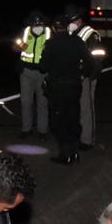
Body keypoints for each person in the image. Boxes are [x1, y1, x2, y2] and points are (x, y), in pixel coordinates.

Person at [39, 13, 94, 165]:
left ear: (54, 28)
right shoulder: (77, 41)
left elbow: (42, 66)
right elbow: (90, 63)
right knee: (73, 118)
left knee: (59, 120)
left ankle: (65, 154)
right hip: (74, 86)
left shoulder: (51, 43)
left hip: (57, 87)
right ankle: (74, 152)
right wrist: (82, 74)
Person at [62, 5, 105, 151]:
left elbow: (98, 57)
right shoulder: (69, 33)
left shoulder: (90, 34)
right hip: (72, 76)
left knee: (86, 108)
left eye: (72, 20)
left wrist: (89, 77)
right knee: (74, 108)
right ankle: (75, 136)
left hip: (86, 76)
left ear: (79, 20)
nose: (70, 23)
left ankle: (87, 140)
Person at [16, 9, 51, 138]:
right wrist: (19, 46)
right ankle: (26, 129)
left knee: (43, 102)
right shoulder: (25, 32)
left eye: (39, 23)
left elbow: (53, 51)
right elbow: (15, 45)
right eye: (34, 23)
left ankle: (42, 131)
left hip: (43, 73)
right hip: (26, 72)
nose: (37, 26)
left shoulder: (49, 33)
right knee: (26, 101)